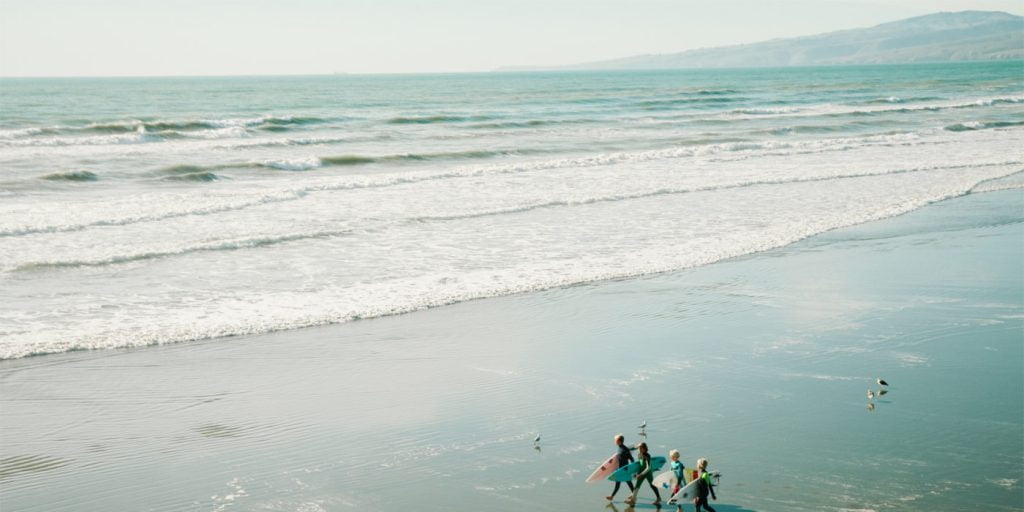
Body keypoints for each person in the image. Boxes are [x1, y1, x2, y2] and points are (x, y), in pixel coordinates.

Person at [606, 434, 635, 501]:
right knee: (621, 482)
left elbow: (631, 458)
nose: (614, 441)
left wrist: (632, 468)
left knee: (627, 482)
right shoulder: (620, 448)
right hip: (620, 469)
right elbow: (618, 458)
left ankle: (633, 496)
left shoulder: (624, 449)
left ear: (619, 441)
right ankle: (612, 496)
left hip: (624, 469)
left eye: (615, 440)